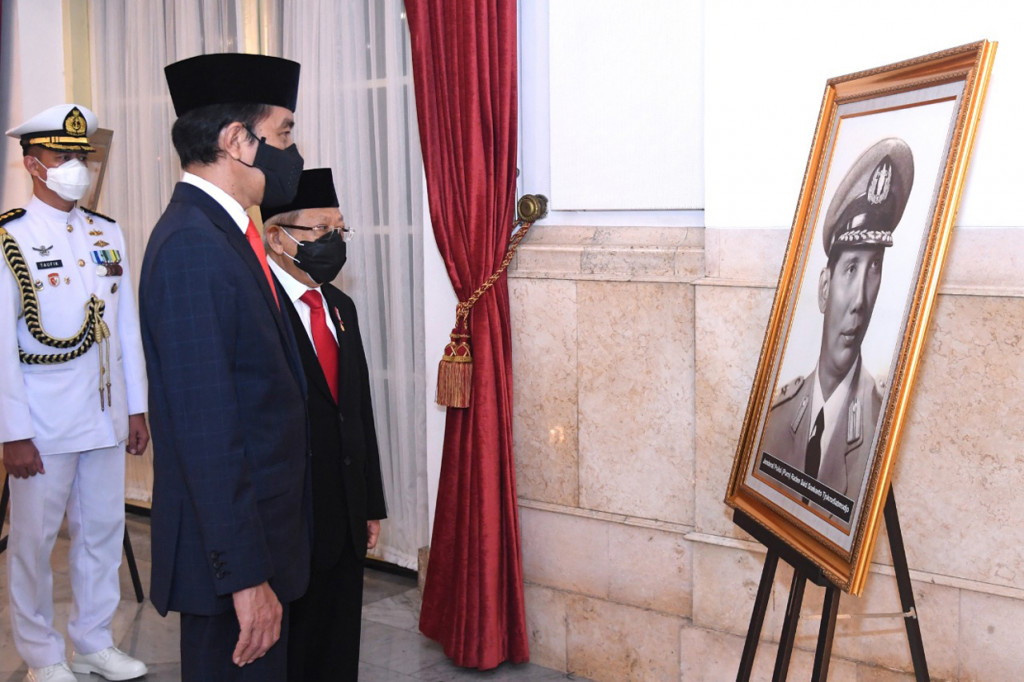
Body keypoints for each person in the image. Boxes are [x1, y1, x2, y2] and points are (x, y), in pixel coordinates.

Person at [139, 53, 309, 681]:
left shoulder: (223, 232)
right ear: (239, 141)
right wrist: (245, 578)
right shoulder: (192, 246)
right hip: (232, 564)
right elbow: (207, 430)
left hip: (255, 544)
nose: (292, 152)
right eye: (284, 132)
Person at [0, 104, 149, 682]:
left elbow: (126, 330)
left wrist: (137, 407)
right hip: (43, 423)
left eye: (81, 157)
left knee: (103, 532)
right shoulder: (12, 238)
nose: (76, 168)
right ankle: (41, 656)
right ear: (33, 164)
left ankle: (92, 640)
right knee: (34, 546)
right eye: (63, 157)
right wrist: (13, 432)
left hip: (106, 416)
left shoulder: (105, 232)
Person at [260, 168, 387, 682]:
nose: (333, 243)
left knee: (338, 645)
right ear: (278, 236)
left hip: (344, 511)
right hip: (290, 517)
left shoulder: (341, 306)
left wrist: (370, 502)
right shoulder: (259, 308)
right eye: (320, 231)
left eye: (340, 231)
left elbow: (357, 411)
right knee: (294, 648)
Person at [761, 137, 914, 502]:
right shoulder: (776, 420)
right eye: (850, 268)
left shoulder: (881, 426)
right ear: (825, 287)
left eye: (874, 267)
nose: (861, 299)